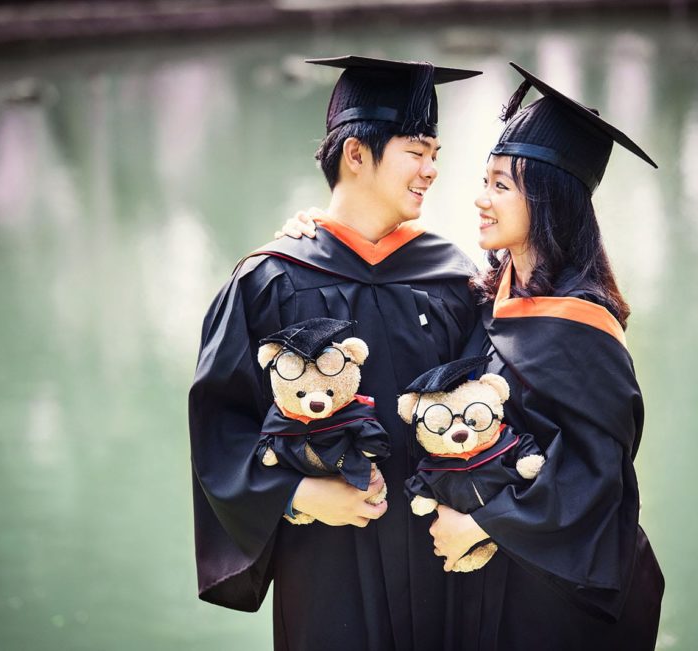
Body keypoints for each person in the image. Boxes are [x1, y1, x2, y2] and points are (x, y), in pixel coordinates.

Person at [280, 62, 665, 650]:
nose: (480, 200)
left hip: (545, 601)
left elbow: (597, 478)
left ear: (549, 200)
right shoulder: (485, 298)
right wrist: (321, 231)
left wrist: (484, 524)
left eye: (502, 186)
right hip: (476, 592)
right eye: (485, 180)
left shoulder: (583, 327)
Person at [188, 56, 482, 651]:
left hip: (442, 568)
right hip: (327, 574)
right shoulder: (270, 280)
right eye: (417, 151)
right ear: (356, 154)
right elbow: (219, 432)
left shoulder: (455, 282)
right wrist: (297, 498)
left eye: (436, 155)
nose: (431, 171)